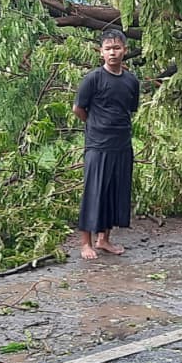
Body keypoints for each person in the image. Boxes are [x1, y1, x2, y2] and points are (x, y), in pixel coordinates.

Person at [74, 29, 140, 259]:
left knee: (114, 193)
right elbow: (78, 109)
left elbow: (131, 109)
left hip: (122, 144)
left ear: (125, 51)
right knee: (94, 192)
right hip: (97, 145)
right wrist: (94, 126)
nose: (113, 52)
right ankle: (86, 243)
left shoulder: (131, 80)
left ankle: (104, 239)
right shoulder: (93, 78)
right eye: (108, 48)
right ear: (100, 52)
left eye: (117, 48)